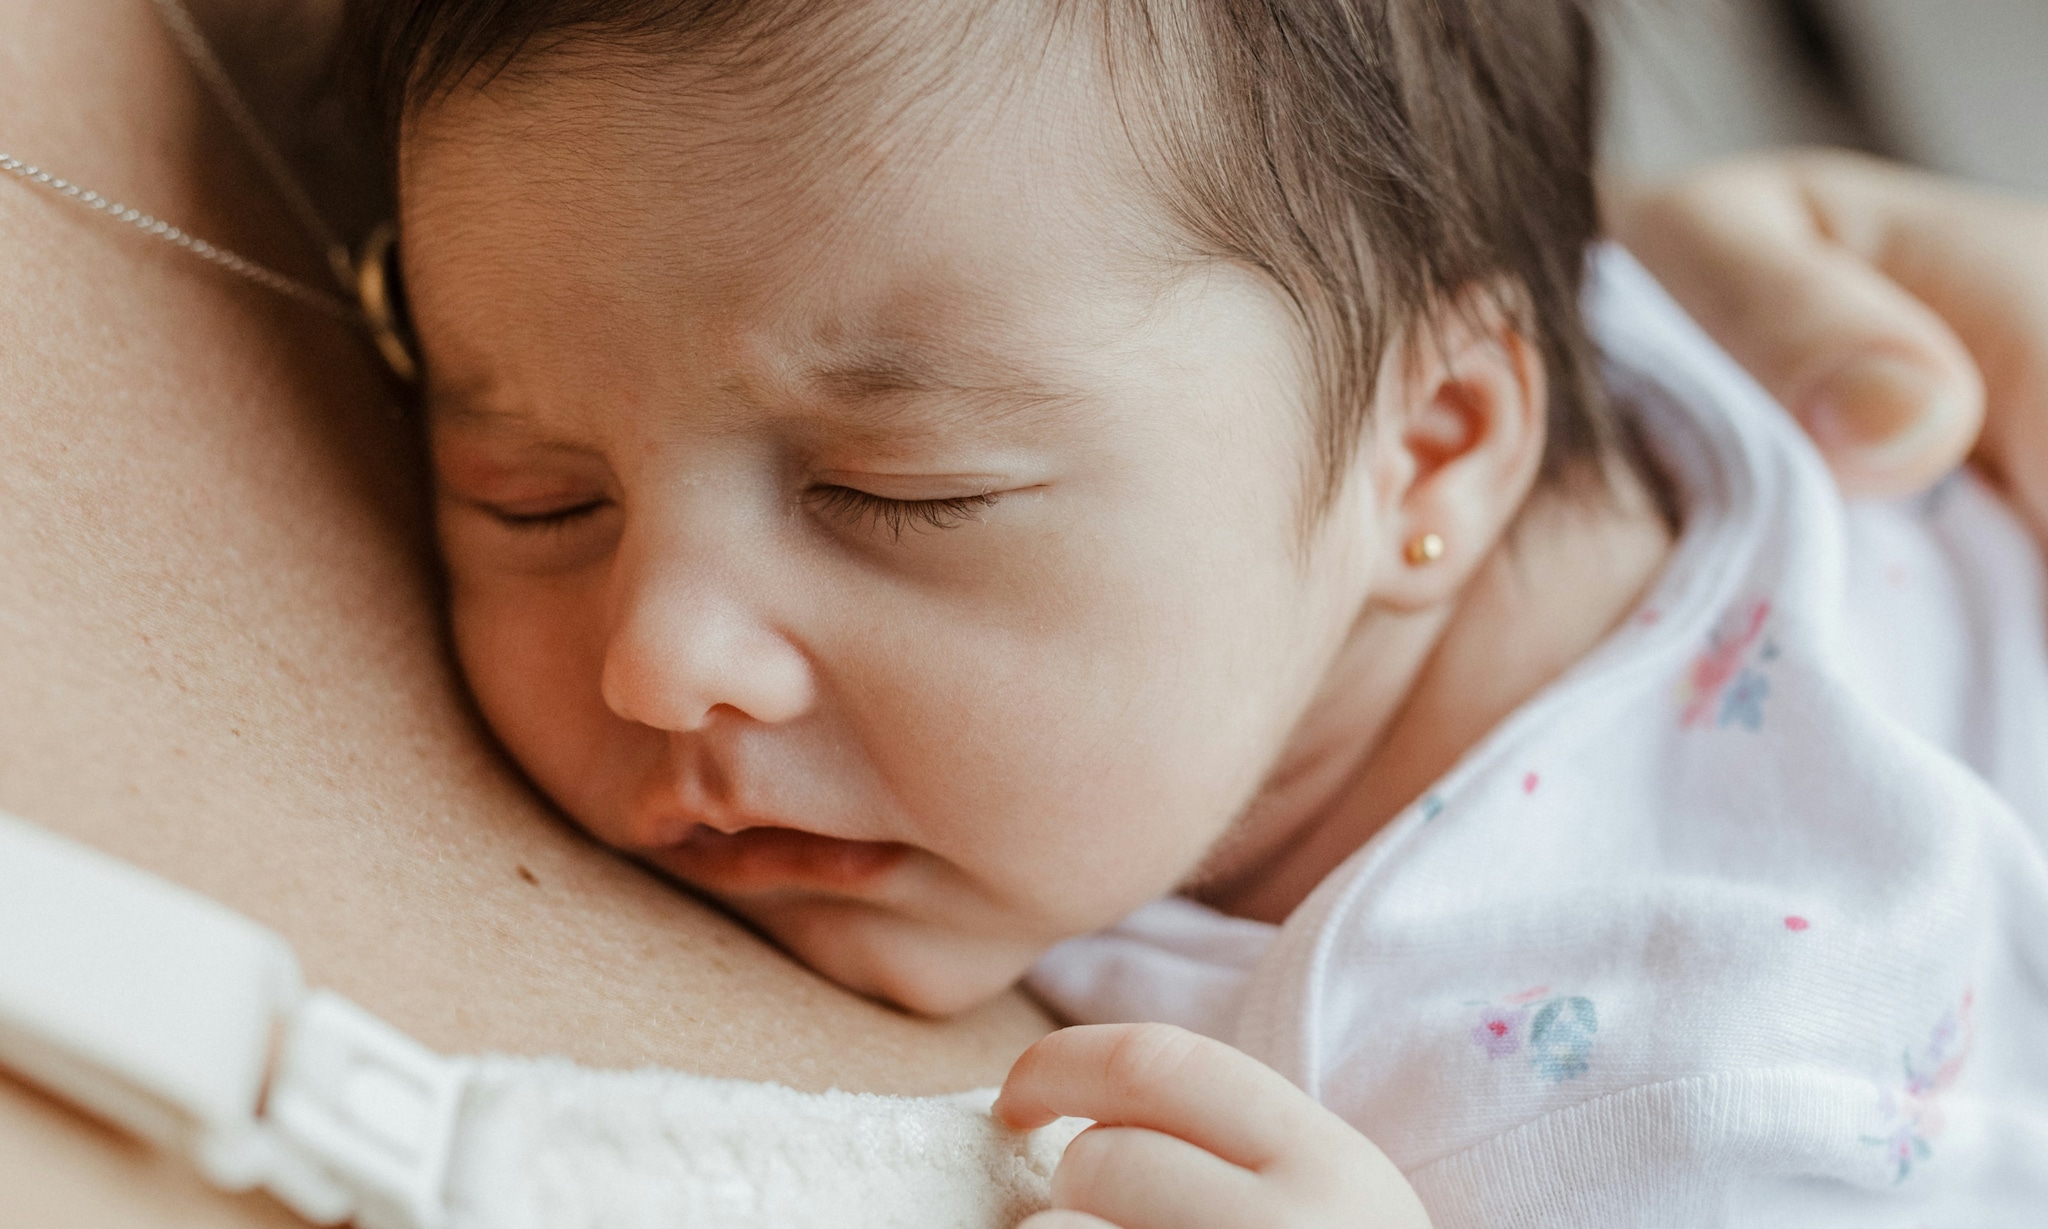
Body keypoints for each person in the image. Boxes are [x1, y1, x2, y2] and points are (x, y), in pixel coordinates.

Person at [2, 2, 2044, 1227]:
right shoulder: (1287, 358)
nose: (660, 656)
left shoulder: (1709, 1089)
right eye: (531, 490)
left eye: (896, 495)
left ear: (1433, 455)